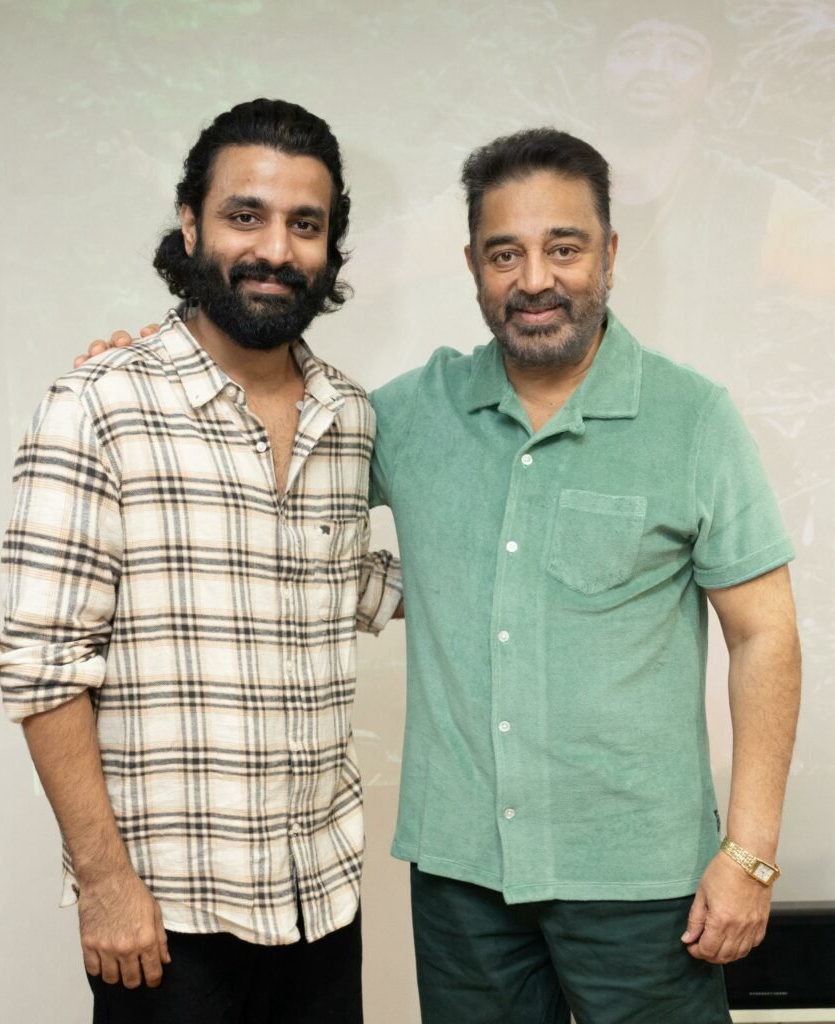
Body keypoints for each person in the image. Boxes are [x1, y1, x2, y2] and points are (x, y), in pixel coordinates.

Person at [76, 126, 801, 1023]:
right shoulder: (406, 415)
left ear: (610, 253)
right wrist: (149, 370)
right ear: (472, 266)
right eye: (505, 253)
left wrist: (750, 854)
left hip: (644, 883)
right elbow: (269, 486)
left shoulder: (693, 419)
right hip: (462, 890)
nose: (534, 279)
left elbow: (764, 633)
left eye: (564, 248)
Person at [0, 97, 401, 1024]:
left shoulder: (351, 417)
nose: (276, 249)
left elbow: (354, 586)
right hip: (165, 917)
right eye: (245, 215)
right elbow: (43, 666)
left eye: (306, 225)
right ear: (191, 225)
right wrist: (104, 883)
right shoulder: (96, 406)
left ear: (331, 246)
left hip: (322, 900)